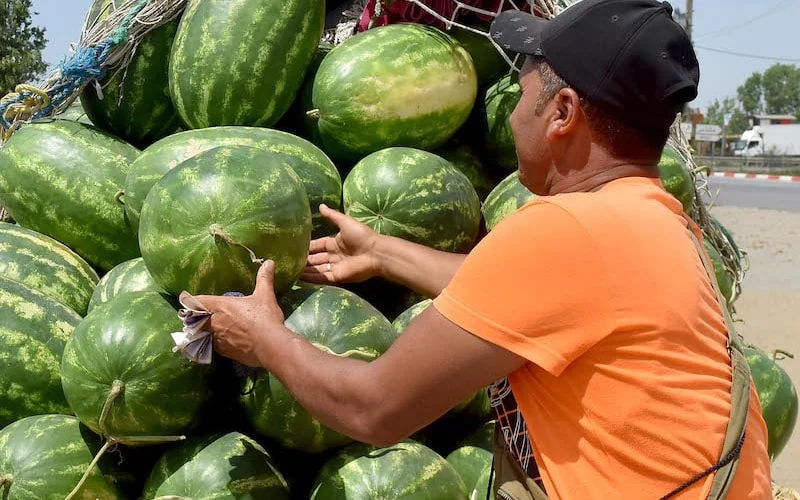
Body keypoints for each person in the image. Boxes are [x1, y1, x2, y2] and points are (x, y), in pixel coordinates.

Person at [197, 0, 772, 497]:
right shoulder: (661, 227)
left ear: (563, 113)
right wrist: (382, 251)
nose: (515, 113)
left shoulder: (563, 232)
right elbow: (520, 294)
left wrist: (264, 338)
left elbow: (371, 409)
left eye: (524, 93)